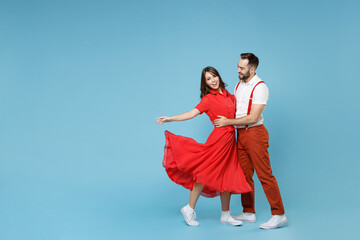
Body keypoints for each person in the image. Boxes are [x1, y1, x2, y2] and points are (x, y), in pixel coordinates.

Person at [156, 66, 252, 227]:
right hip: (218, 141)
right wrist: (171, 118)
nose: (212, 80)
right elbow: (192, 113)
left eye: (214, 76)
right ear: (205, 83)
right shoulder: (208, 99)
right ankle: (189, 208)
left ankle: (226, 214)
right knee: (204, 173)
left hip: (230, 141)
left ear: (219, 77)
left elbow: (242, 112)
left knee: (227, 175)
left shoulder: (231, 96)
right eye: (208, 79)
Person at [214, 53, 287, 229]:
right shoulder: (239, 85)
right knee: (245, 175)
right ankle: (248, 211)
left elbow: (253, 117)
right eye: (238, 66)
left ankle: (279, 214)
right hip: (241, 135)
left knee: (264, 175)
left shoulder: (261, 87)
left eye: (241, 68)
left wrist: (228, 122)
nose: (237, 70)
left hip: (255, 133)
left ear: (252, 69)